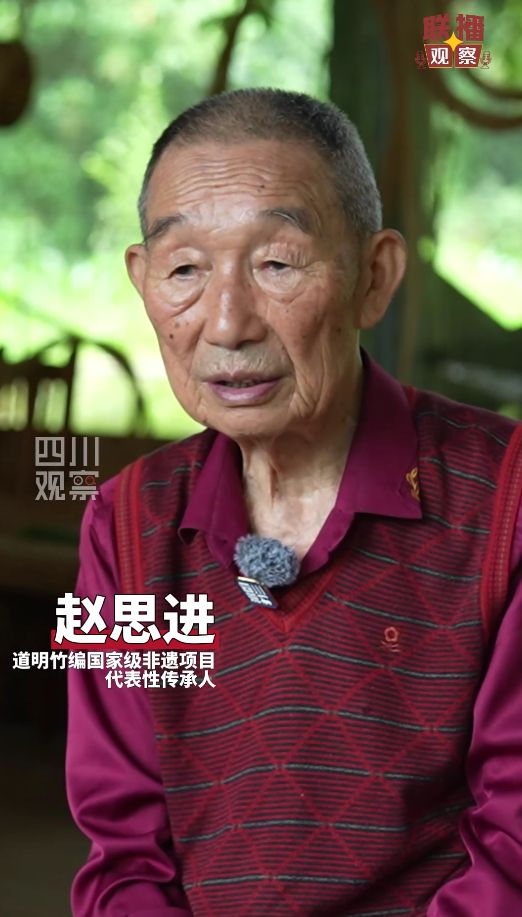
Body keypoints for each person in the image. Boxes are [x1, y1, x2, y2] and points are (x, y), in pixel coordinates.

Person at [66, 88, 522, 917]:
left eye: (277, 263)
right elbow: (125, 853)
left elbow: (516, 847)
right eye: (185, 270)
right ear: (142, 280)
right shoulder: (125, 524)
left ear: (373, 278)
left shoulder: (508, 500)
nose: (227, 324)